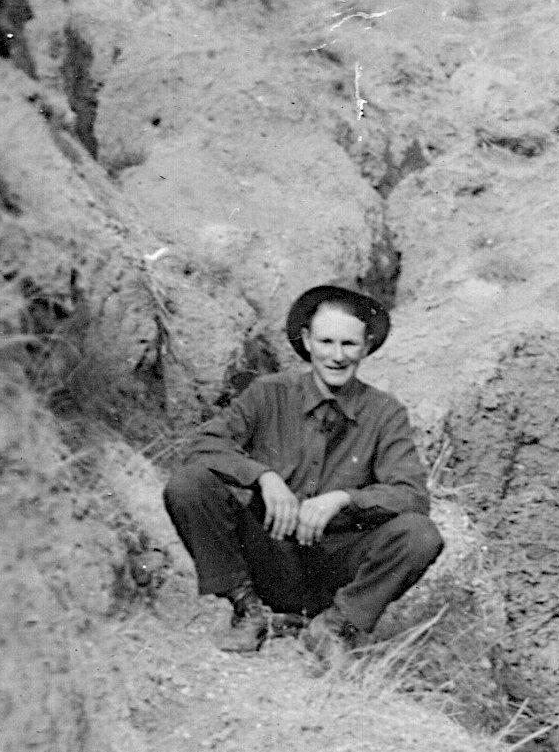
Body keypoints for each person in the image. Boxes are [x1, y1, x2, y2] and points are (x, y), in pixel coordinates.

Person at [163, 283, 443, 664]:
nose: (337, 356)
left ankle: (333, 626)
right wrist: (263, 476)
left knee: (420, 535)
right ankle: (248, 611)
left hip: (333, 568)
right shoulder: (268, 394)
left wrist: (345, 499)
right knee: (189, 484)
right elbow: (203, 446)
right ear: (308, 341)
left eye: (349, 345)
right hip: (268, 554)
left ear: (366, 347)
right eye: (327, 342)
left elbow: (412, 495)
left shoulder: (385, 413)